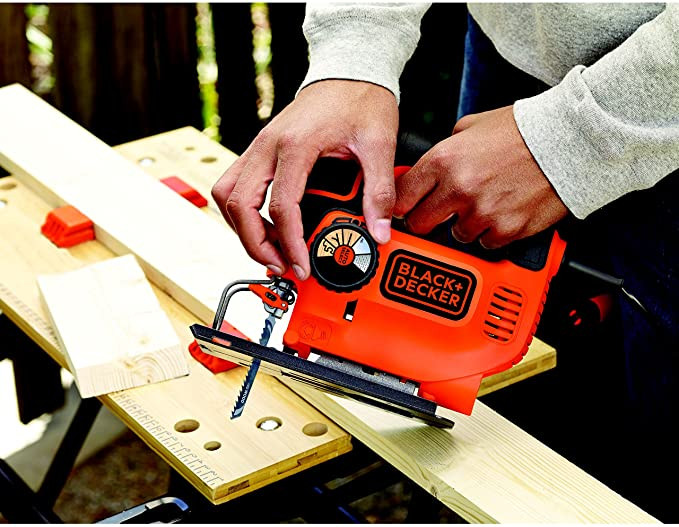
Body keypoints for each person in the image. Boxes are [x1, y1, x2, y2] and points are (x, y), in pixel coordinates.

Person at [212, 3, 679, 519]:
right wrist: (353, 57)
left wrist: (568, 141)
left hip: (664, 97)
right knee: (476, 454)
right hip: (512, 39)